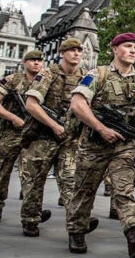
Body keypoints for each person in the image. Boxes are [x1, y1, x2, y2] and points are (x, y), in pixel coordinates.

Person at [65, 32, 135, 258]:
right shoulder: (98, 74)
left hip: (123, 146)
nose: (133, 51)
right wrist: (100, 128)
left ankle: (134, 235)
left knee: (124, 190)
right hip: (94, 145)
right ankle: (77, 231)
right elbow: (77, 103)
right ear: (115, 49)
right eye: (127, 46)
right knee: (84, 190)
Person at [19, 38, 89, 237]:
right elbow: (31, 104)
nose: (76, 53)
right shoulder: (48, 73)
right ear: (62, 53)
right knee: (34, 181)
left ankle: (76, 220)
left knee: (70, 180)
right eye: (72, 50)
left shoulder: (85, 77)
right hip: (43, 137)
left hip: (69, 140)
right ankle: (31, 219)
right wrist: (54, 125)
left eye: (79, 50)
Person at [0, 51, 44, 223]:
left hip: (34, 134)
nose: (36, 63)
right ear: (24, 62)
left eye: (40, 60)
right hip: (11, 133)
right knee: (2, 172)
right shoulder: (12, 80)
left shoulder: (45, 81)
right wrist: (13, 117)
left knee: (33, 175)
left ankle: (33, 211)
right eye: (32, 60)